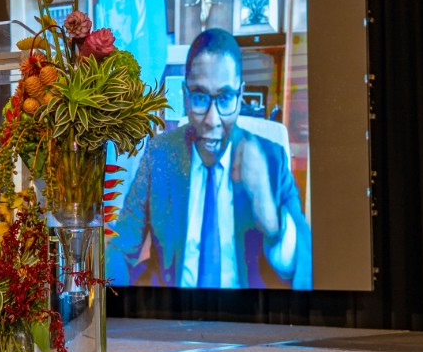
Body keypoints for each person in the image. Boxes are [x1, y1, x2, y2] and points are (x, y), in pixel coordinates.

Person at [106, 28, 312, 290]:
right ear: (185, 96)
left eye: (225, 98)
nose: (212, 120)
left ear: (240, 96)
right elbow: (122, 247)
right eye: (201, 97)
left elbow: (306, 265)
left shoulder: (273, 160)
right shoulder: (158, 154)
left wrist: (271, 218)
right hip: (172, 308)